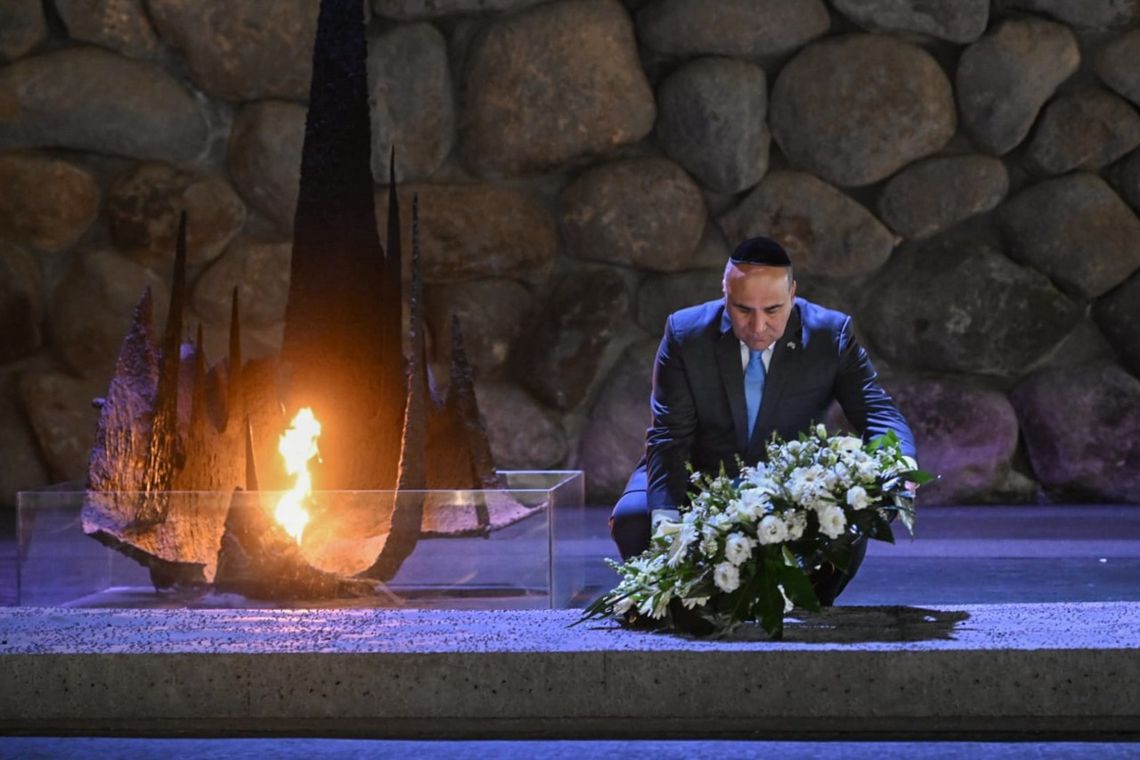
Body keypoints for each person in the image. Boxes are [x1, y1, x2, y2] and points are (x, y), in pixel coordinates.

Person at [610, 236, 916, 605]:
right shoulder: (685, 334)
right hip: (699, 471)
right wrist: (665, 520)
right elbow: (669, 437)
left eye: (773, 310)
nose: (757, 326)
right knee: (633, 517)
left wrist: (900, 467)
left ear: (793, 293)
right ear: (724, 293)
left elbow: (877, 411)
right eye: (742, 310)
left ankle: (807, 616)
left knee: (852, 518)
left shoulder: (830, 335)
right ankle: (682, 617)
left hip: (789, 483)